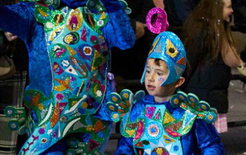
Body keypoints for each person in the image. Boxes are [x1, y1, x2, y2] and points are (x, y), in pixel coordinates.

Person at [0, 0, 135, 154]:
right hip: (48, 118)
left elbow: (125, 41)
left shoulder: (99, 11)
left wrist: (112, 6)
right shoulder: (35, 13)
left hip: (90, 121)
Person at [111, 32, 225, 154]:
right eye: (148, 71)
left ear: (178, 81)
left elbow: (212, 146)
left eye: (159, 73)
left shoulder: (189, 113)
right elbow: (125, 147)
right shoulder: (138, 110)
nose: (151, 78)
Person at [181, 0, 242, 133]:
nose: (232, 11)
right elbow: (189, 63)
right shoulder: (202, 32)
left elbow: (233, 60)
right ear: (216, 8)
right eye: (228, 7)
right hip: (201, 98)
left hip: (211, 98)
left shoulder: (220, 31)